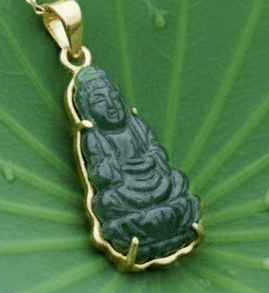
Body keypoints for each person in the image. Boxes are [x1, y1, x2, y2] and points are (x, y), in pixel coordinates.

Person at [73, 66, 201, 261]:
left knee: (176, 179)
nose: (111, 105)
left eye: (114, 97)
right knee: (110, 202)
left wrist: (151, 158)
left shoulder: (135, 123)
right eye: (100, 101)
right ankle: (153, 235)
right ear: (88, 109)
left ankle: (172, 228)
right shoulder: (95, 137)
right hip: (128, 192)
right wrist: (116, 168)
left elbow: (156, 150)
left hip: (156, 181)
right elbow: (99, 174)